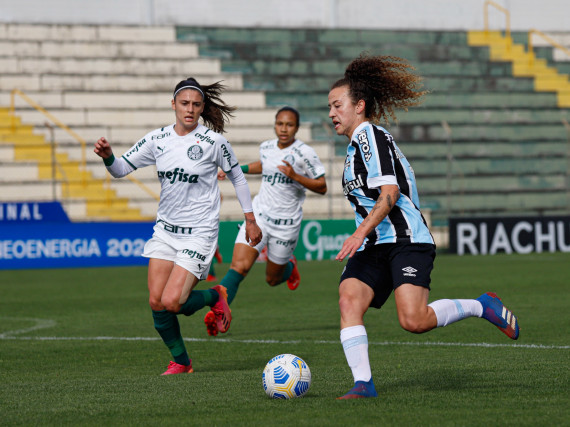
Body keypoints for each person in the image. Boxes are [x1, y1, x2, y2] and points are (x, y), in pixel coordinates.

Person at [328, 54, 520, 399]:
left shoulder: (369, 134)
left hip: (405, 239)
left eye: (337, 105)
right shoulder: (354, 150)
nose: (331, 113)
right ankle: (363, 384)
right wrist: (364, 236)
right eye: (329, 107)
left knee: (413, 321)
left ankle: (481, 304)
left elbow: (390, 193)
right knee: (348, 301)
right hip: (374, 245)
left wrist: (358, 233)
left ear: (359, 106)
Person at [93, 77, 262, 375]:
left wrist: (250, 219)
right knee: (157, 302)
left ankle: (215, 295)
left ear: (202, 108)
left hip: (199, 232)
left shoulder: (214, 143)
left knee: (173, 301)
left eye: (196, 105)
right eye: (184, 103)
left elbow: (236, 176)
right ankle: (181, 361)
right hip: (165, 231)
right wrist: (108, 157)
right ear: (173, 104)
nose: (190, 109)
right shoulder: (157, 139)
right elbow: (120, 169)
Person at [206, 106, 327, 336]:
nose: (284, 128)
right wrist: (235, 169)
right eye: (280, 124)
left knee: (272, 279)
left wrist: (295, 176)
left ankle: (290, 268)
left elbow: (322, 186)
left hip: (286, 225)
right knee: (239, 267)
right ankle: (219, 311)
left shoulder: (305, 153)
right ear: (275, 125)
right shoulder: (267, 147)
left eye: (289, 125)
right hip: (259, 216)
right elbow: (264, 165)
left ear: (297, 128)